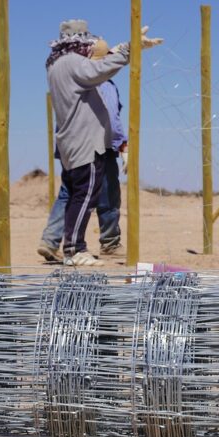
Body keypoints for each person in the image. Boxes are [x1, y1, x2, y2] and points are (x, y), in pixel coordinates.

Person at [45, 19, 161, 266]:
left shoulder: (58, 63)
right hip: (85, 142)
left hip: (74, 141)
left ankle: (69, 245)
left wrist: (124, 48)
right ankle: (75, 249)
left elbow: (98, 64)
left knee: (77, 195)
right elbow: (98, 70)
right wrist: (130, 50)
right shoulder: (74, 63)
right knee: (84, 197)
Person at [38, 38, 126, 262]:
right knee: (94, 195)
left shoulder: (59, 69)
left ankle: (52, 240)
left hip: (71, 144)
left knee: (72, 193)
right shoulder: (95, 80)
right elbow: (111, 119)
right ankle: (85, 245)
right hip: (94, 145)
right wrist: (121, 143)